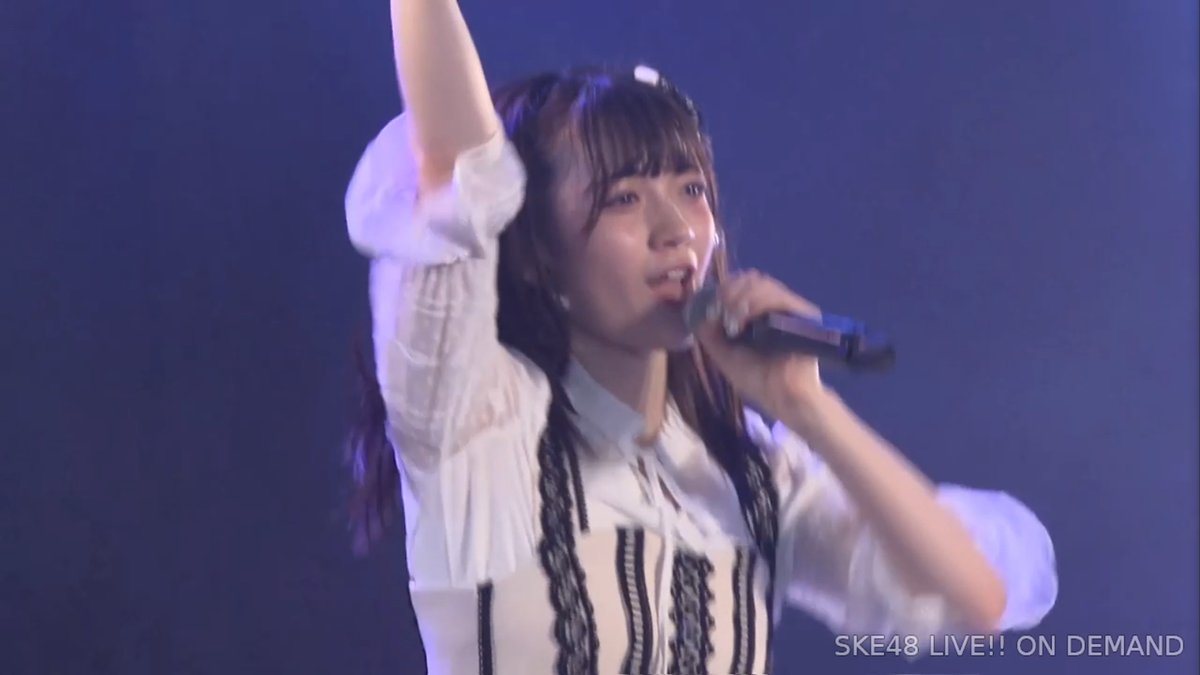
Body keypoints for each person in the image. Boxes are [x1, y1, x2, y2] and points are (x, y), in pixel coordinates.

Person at [342, 2, 1058, 673]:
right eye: (624, 198)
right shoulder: (479, 430)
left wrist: (807, 408)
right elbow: (456, 166)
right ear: (537, 254)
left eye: (691, 190)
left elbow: (980, 597)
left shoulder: (748, 476)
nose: (677, 230)